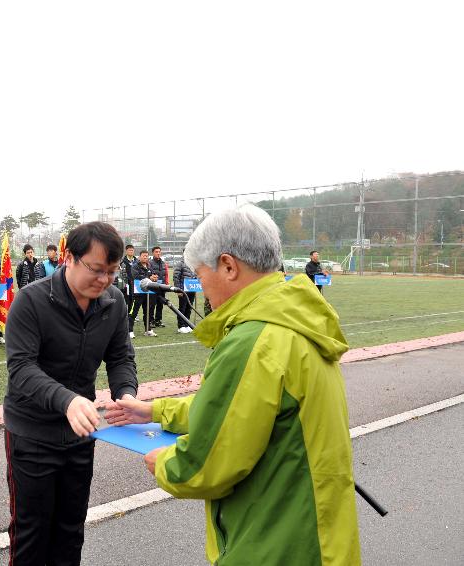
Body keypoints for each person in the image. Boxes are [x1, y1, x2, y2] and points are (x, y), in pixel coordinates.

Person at [105, 204, 360, 565]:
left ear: (228, 266)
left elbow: (208, 464)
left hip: (274, 544)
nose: (202, 290)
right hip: (319, 536)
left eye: (201, 276)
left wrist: (165, 463)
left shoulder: (253, 340)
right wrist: (153, 410)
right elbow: (238, 409)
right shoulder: (294, 321)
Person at [4, 221, 138, 565]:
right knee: (31, 534)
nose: (104, 280)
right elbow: (21, 369)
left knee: (70, 529)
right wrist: (68, 399)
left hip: (81, 434)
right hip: (32, 434)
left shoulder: (113, 302)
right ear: (69, 258)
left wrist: (126, 393)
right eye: (96, 270)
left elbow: (121, 356)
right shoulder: (31, 301)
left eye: (112, 271)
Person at [129, 249, 158, 338]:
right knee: (133, 312)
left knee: (148, 312)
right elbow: (136, 276)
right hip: (138, 293)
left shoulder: (150, 266)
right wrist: (149, 277)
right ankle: (129, 330)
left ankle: (148, 329)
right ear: (139, 257)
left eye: (146, 256)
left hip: (148, 294)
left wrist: (155, 277)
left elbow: (154, 275)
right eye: (143, 256)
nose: (145, 257)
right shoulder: (135, 266)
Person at [172, 251, 196, 333]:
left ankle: (187, 324)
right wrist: (178, 289)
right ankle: (181, 326)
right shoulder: (180, 264)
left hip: (192, 289)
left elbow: (196, 276)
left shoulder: (193, 264)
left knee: (189, 307)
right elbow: (176, 277)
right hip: (183, 290)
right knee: (182, 308)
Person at [149, 245, 169, 328]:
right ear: (153, 253)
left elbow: (166, 274)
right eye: (156, 252)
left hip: (162, 287)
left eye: (159, 252)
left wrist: (166, 284)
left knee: (160, 304)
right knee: (152, 305)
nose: (158, 253)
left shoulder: (163, 263)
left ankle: (158, 320)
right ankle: (150, 321)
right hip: (153, 287)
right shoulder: (149, 263)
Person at [120, 244, 136, 313]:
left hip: (135, 283)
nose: (131, 252)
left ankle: (131, 314)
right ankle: (125, 313)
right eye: (129, 250)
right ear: (126, 251)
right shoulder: (122, 261)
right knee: (126, 298)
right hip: (126, 284)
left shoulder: (137, 261)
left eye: (132, 250)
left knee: (133, 298)